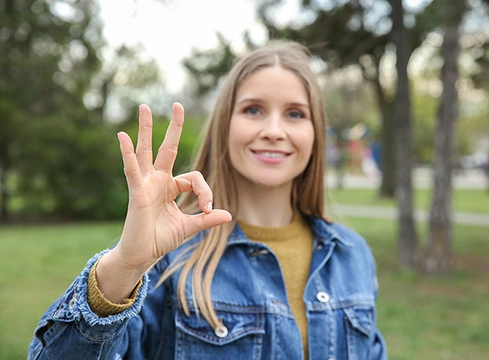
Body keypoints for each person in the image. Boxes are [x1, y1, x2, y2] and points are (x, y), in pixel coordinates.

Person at [28, 41, 387, 360]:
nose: (274, 131)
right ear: (224, 126)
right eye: (253, 110)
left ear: (315, 133)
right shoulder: (169, 262)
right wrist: (124, 266)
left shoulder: (352, 255)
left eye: (295, 114)